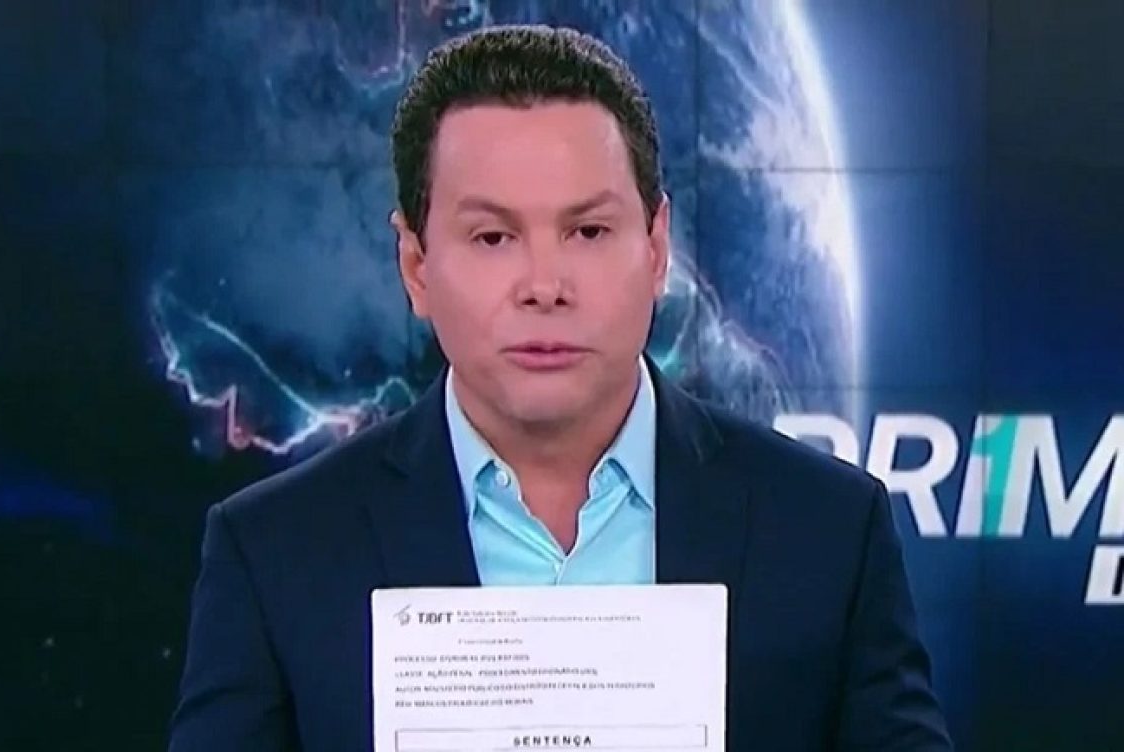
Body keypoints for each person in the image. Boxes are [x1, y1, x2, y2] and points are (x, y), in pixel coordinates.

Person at [168, 24, 952, 751]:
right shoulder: (276, 551)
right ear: (416, 265)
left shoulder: (828, 530)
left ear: (656, 247)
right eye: (492, 237)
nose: (544, 285)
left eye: (588, 231)